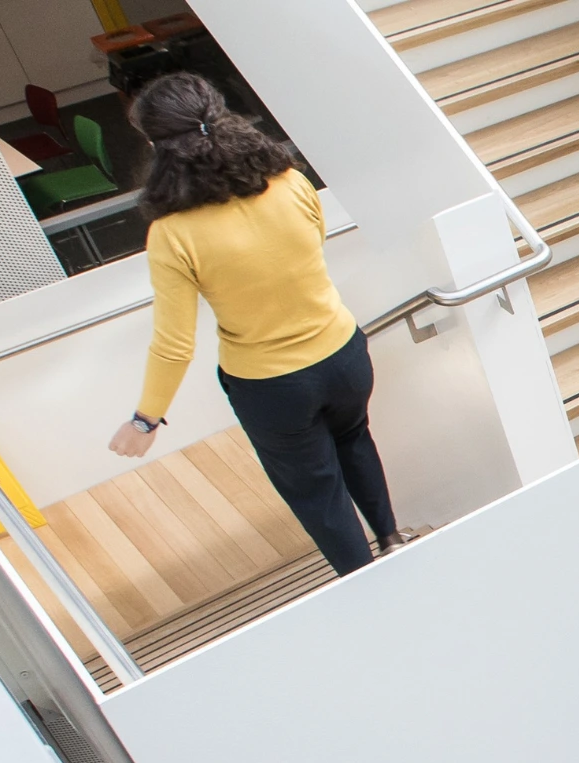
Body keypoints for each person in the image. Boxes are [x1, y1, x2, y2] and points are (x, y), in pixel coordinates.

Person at [109, 73, 399, 576]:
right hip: (345, 356)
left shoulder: (172, 234)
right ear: (223, 117)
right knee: (354, 438)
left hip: (272, 387)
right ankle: (392, 538)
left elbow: (175, 345)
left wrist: (145, 421)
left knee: (315, 489)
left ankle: (368, 581)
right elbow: (309, 250)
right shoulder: (292, 183)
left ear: (156, 147)